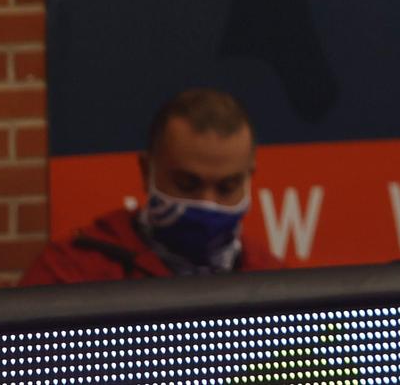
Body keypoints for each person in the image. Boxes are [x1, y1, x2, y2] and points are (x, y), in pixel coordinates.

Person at [21, 88, 275, 284]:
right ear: (146, 171)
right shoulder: (71, 273)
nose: (207, 203)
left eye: (227, 187)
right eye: (187, 184)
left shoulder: (271, 280)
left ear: (249, 178)